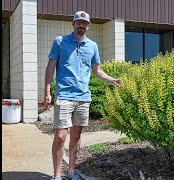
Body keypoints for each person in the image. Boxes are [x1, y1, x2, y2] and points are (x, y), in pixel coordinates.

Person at [44, 11, 121, 180]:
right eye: (78, 22)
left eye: (84, 23)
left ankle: (71, 171)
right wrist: (48, 92)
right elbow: (50, 68)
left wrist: (113, 80)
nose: (81, 25)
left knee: (76, 136)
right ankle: (57, 176)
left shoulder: (92, 46)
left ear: (88, 26)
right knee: (60, 136)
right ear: (73, 24)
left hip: (83, 98)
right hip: (64, 95)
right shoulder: (60, 42)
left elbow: (97, 70)